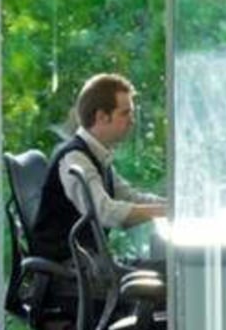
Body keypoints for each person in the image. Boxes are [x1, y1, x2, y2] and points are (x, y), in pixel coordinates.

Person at [30, 72, 166, 266]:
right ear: (102, 117)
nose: (132, 121)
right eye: (125, 113)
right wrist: (163, 211)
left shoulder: (97, 155)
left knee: (167, 270)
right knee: (170, 275)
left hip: (88, 265)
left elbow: (129, 196)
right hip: (72, 271)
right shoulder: (75, 160)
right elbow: (105, 212)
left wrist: (172, 206)